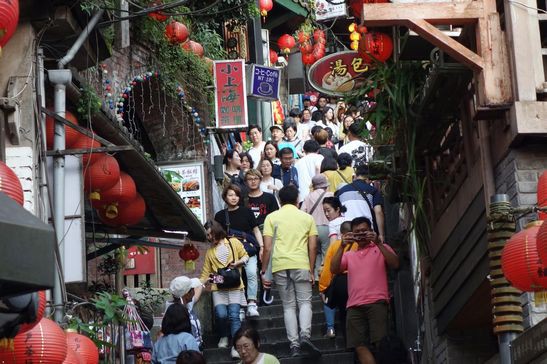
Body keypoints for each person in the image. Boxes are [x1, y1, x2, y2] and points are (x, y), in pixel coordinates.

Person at [261, 185, 321, 358]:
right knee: (305, 302)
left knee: (288, 306)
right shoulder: (306, 218)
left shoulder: (271, 218)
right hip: (301, 264)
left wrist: (265, 270)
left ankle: (294, 345)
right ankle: (305, 336)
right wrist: (311, 269)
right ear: (297, 199)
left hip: (280, 266)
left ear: (279, 200)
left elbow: (267, 247)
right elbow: (313, 246)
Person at [330, 217, 399, 364]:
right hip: (354, 305)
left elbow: (395, 263)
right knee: (358, 345)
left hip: (377, 302)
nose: (361, 234)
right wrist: (342, 246)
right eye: (357, 232)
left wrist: (378, 243)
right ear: (352, 235)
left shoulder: (380, 248)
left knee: (381, 343)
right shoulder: (349, 254)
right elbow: (334, 269)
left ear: (371, 231)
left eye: (364, 231)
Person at [200, 220, 249, 359]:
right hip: (219, 287)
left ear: (216, 230)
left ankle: (236, 346)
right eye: (207, 235)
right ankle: (223, 335)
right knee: (221, 315)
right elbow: (206, 273)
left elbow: (246, 256)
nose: (209, 237)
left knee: (234, 315)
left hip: (235, 284)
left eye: (211, 234)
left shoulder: (233, 242)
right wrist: (197, 283)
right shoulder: (210, 252)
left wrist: (237, 263)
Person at [215, 185, 263, 319]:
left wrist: (262, 247)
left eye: (236, 195)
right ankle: (241, 305)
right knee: (237, 277)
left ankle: (252, 302)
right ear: (225, 197)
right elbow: (217, 236)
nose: (233, 197)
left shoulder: (247, 212)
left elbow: (256, 230)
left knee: (252, 273)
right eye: (230, 195)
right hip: (230, 252)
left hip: (248, 250)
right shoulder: (220, 215)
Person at [318, 221, 356, 340]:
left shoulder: (335, 246)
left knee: (329, 301)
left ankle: (330, 328)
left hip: (341, 282)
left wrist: (323, 288)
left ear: (341, 233)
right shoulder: (359, 244)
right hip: (356, 281)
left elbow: (328, 268)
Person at [335, 164, 385, 243]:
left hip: (347, 234)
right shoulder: (372, 190)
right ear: (368, 178)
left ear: (356, 175)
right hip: (366, 233)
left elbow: (336, 213)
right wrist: (381, 235)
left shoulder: (341, 192)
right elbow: (378, 212)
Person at [300, 174, 333, 280]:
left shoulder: (308, 196)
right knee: (325, 253)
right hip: (326, 227)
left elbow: (302, 212)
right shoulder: (330, 195)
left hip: (312, 230)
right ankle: (324, 275)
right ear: (325, 185)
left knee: (316, 252)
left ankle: (315, 275)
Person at [168, 276, 204, 350]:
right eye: (192, 289)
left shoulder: (188, 304)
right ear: (187, 294)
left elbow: (199, 285)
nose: (194, 291)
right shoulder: (175, 313)